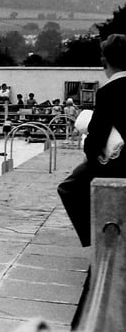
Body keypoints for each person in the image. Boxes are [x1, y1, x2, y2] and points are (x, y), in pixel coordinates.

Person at [57, 33, 126, 248]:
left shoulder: (108, 91)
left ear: (106, 61)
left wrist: (85, 143)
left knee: (68, 188)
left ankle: (95, 238)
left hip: (119, 161)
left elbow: (97, 137)